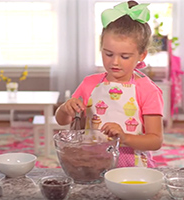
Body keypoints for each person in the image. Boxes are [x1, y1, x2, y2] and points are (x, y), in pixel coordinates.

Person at [55, 0, 163, 167]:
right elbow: (62, 120)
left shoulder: (148, 90)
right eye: (108, 54)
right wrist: (65, 108)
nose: (115, 62)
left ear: (141, 56)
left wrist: (125, 137)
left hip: (132, 168)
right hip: (92, 165)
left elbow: (155, 141)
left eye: (125, 56)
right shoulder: (89, 84)